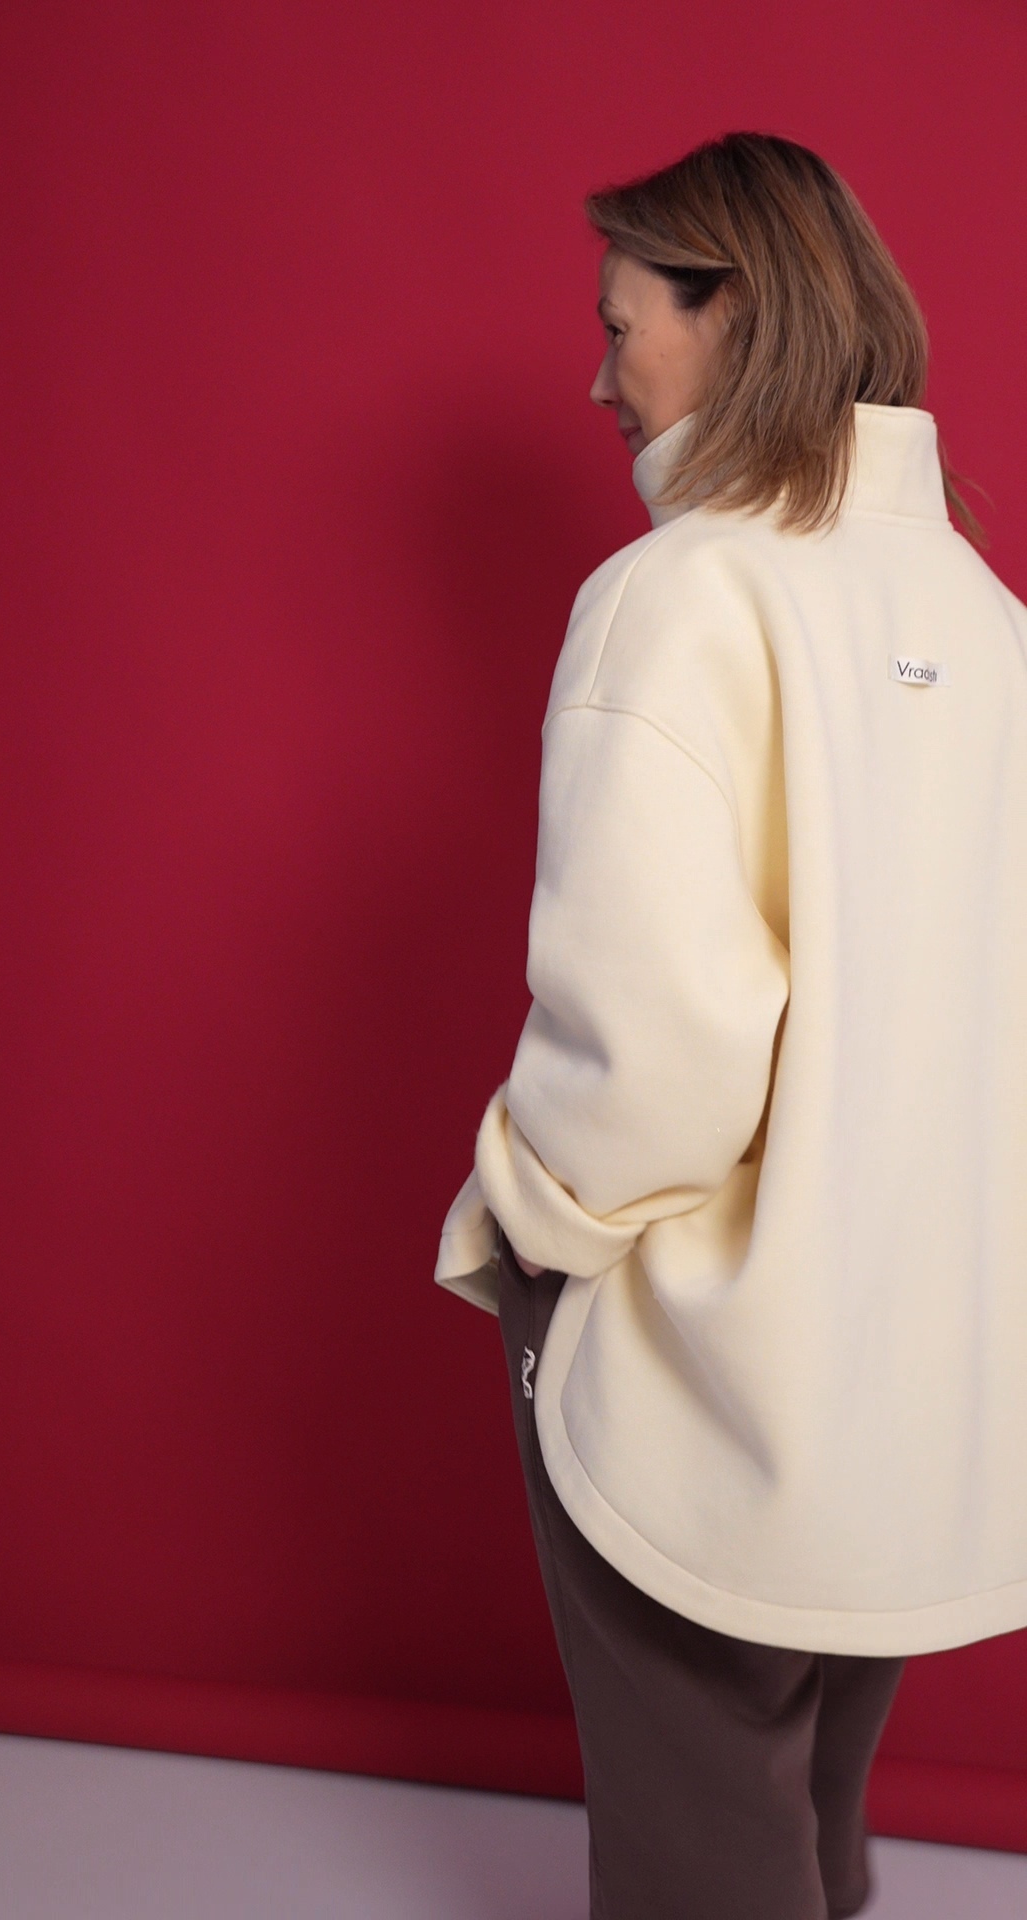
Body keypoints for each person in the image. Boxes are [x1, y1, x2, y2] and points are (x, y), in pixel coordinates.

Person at [434, 130, 1027, 1920]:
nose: (599, 378)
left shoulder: (678, 593)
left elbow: (662, 1048)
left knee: (705, 1847)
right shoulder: (984, 610)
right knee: (807, 1829)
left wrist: (532, 1225)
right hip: (925, 1357)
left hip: (710, 1342)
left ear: (737, 313)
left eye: (623, 327)